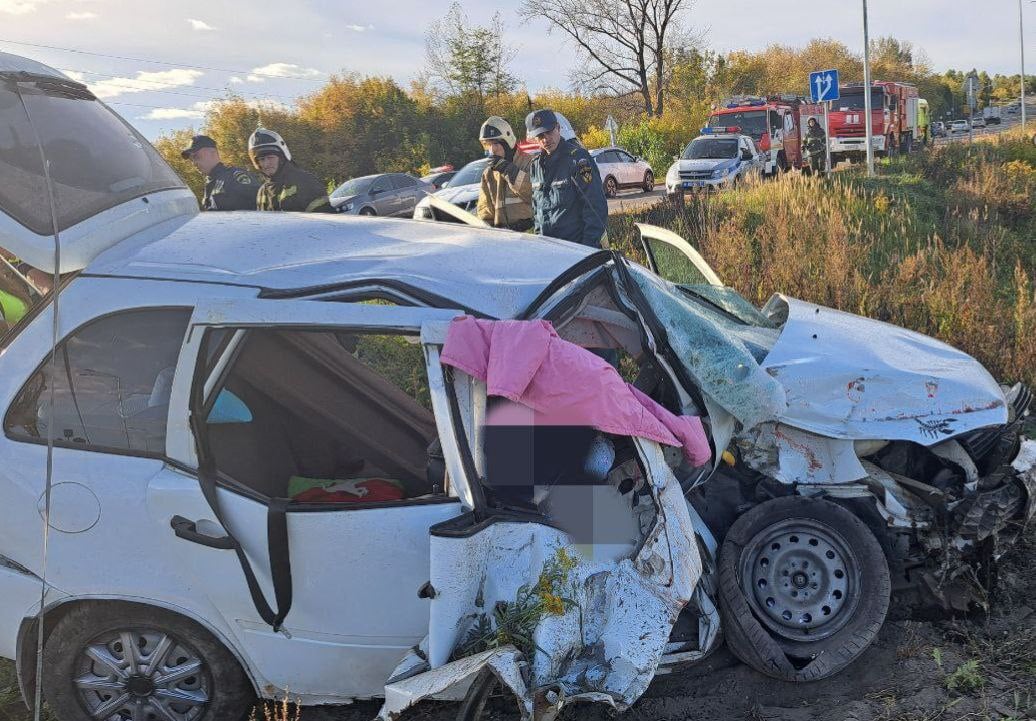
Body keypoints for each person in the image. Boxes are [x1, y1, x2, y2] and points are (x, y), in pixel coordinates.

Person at [526, 109, 608, 248]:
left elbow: (595, 207)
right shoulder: (535, 166)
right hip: (549, 251)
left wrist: (587, 249)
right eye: (540, 136)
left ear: (558, 128)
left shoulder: (577, 159)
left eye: (549, 132)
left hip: (577, 249)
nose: (545, 139)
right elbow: (538, 211)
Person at [249, 128, 333, 213]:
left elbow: (325, 222)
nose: (266, 163)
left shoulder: (306, 182)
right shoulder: (263, 191)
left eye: (270, 158)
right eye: (262, 159)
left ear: (281, 158)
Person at [476, 116, 533, 232]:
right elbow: (485, 212)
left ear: (508, 142)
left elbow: (533, 194)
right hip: (504, 240)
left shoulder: (530, 163)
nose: (492, 150)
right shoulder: (489, 174)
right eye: (488, 144)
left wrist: (509, 170)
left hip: (530, 237)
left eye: (496, 143)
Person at [180, 134, 260, 211]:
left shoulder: (234, 177)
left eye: (196, 156)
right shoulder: (210, 183)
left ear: (213, 152)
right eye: (191, 160)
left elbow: (259, 206)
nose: (194, 163)